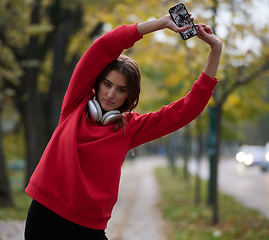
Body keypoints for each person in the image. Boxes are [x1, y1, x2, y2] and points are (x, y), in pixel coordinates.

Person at [24, 12, 222, 240]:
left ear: (129, 96)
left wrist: (215, 49)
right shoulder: (74, 104)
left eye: (121, 89)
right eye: (107, 84)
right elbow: (103, 47)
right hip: (44, 216)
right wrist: (160, 24)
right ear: (97, 84)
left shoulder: (130, 128)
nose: (110, 94)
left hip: (88, 228)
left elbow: (185, 110)